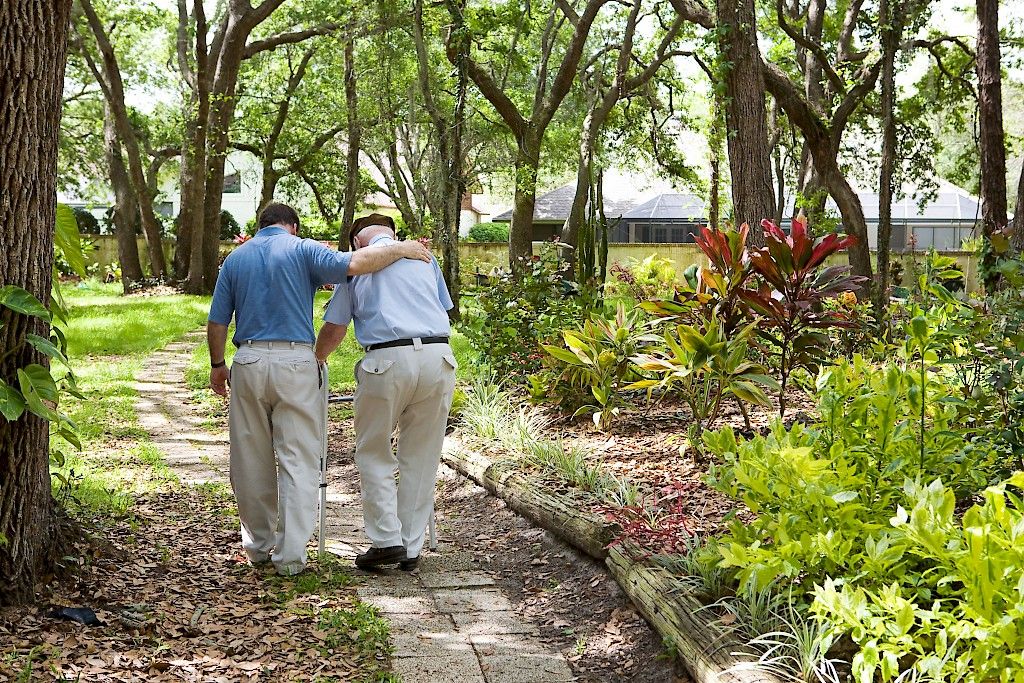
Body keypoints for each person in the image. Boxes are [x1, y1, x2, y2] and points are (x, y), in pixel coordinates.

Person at [207, 203, 431, 576]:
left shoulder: (235, 259)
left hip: (246, 360)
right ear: (292, 226)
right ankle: (291, 557)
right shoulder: (303, 248)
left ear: (260, 226)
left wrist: (218, 365)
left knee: (249, 457)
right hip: (295, 361)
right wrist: (402, 248)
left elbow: (217, 321)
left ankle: (258, 546)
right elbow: (355, 264)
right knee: (298, 458)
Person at [314, 213, 456, 571]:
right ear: (393, 233)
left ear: (356, 242)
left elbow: (336, 327)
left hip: (387, 359)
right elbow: (444, 308)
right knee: (422, 456)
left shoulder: (357, 265)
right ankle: (410, 546)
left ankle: (386, 540)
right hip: (440, 357)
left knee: (374, 450)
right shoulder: (425, 257)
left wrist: (315, 359)